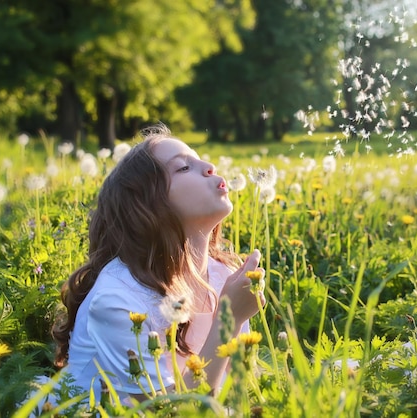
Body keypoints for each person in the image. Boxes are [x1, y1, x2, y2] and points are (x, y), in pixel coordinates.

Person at [49, 123, 265, 405]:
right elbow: (169, 412)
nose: (210, 166)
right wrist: (229, 320)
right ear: (148, 206)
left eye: (200, 158)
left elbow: (234, 388)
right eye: (183, 168)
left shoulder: (221, 275)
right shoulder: (118, 299)